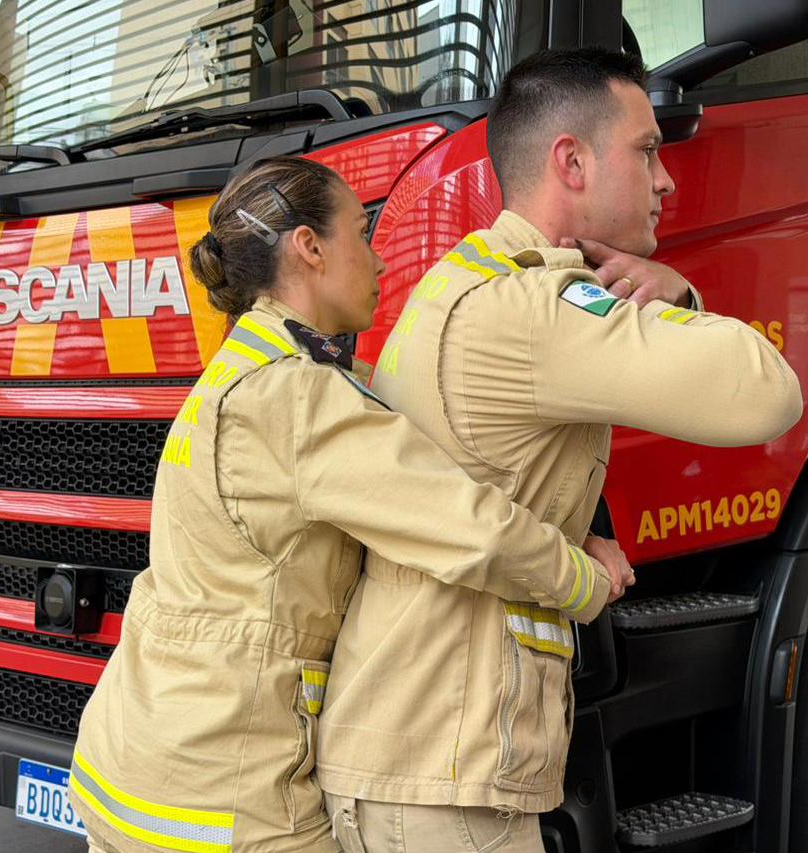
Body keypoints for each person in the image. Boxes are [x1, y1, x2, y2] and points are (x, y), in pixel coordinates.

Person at [66, 155, 632, 853]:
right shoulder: (300, 399)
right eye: (361, 235)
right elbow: (469, 528)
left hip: (127, 763)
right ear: (309, 248)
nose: (380, 260)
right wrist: (583, 578)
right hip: (227, 797)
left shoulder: (241, 372)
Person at [316, 48, 804, 852]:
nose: (667, 180)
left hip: (407, 751)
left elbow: (469, 479)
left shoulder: (456, 282)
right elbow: (767, 392)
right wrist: (680, 294)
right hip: (448, 779)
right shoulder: (539, 307)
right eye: (647, 151)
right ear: (570, 162)